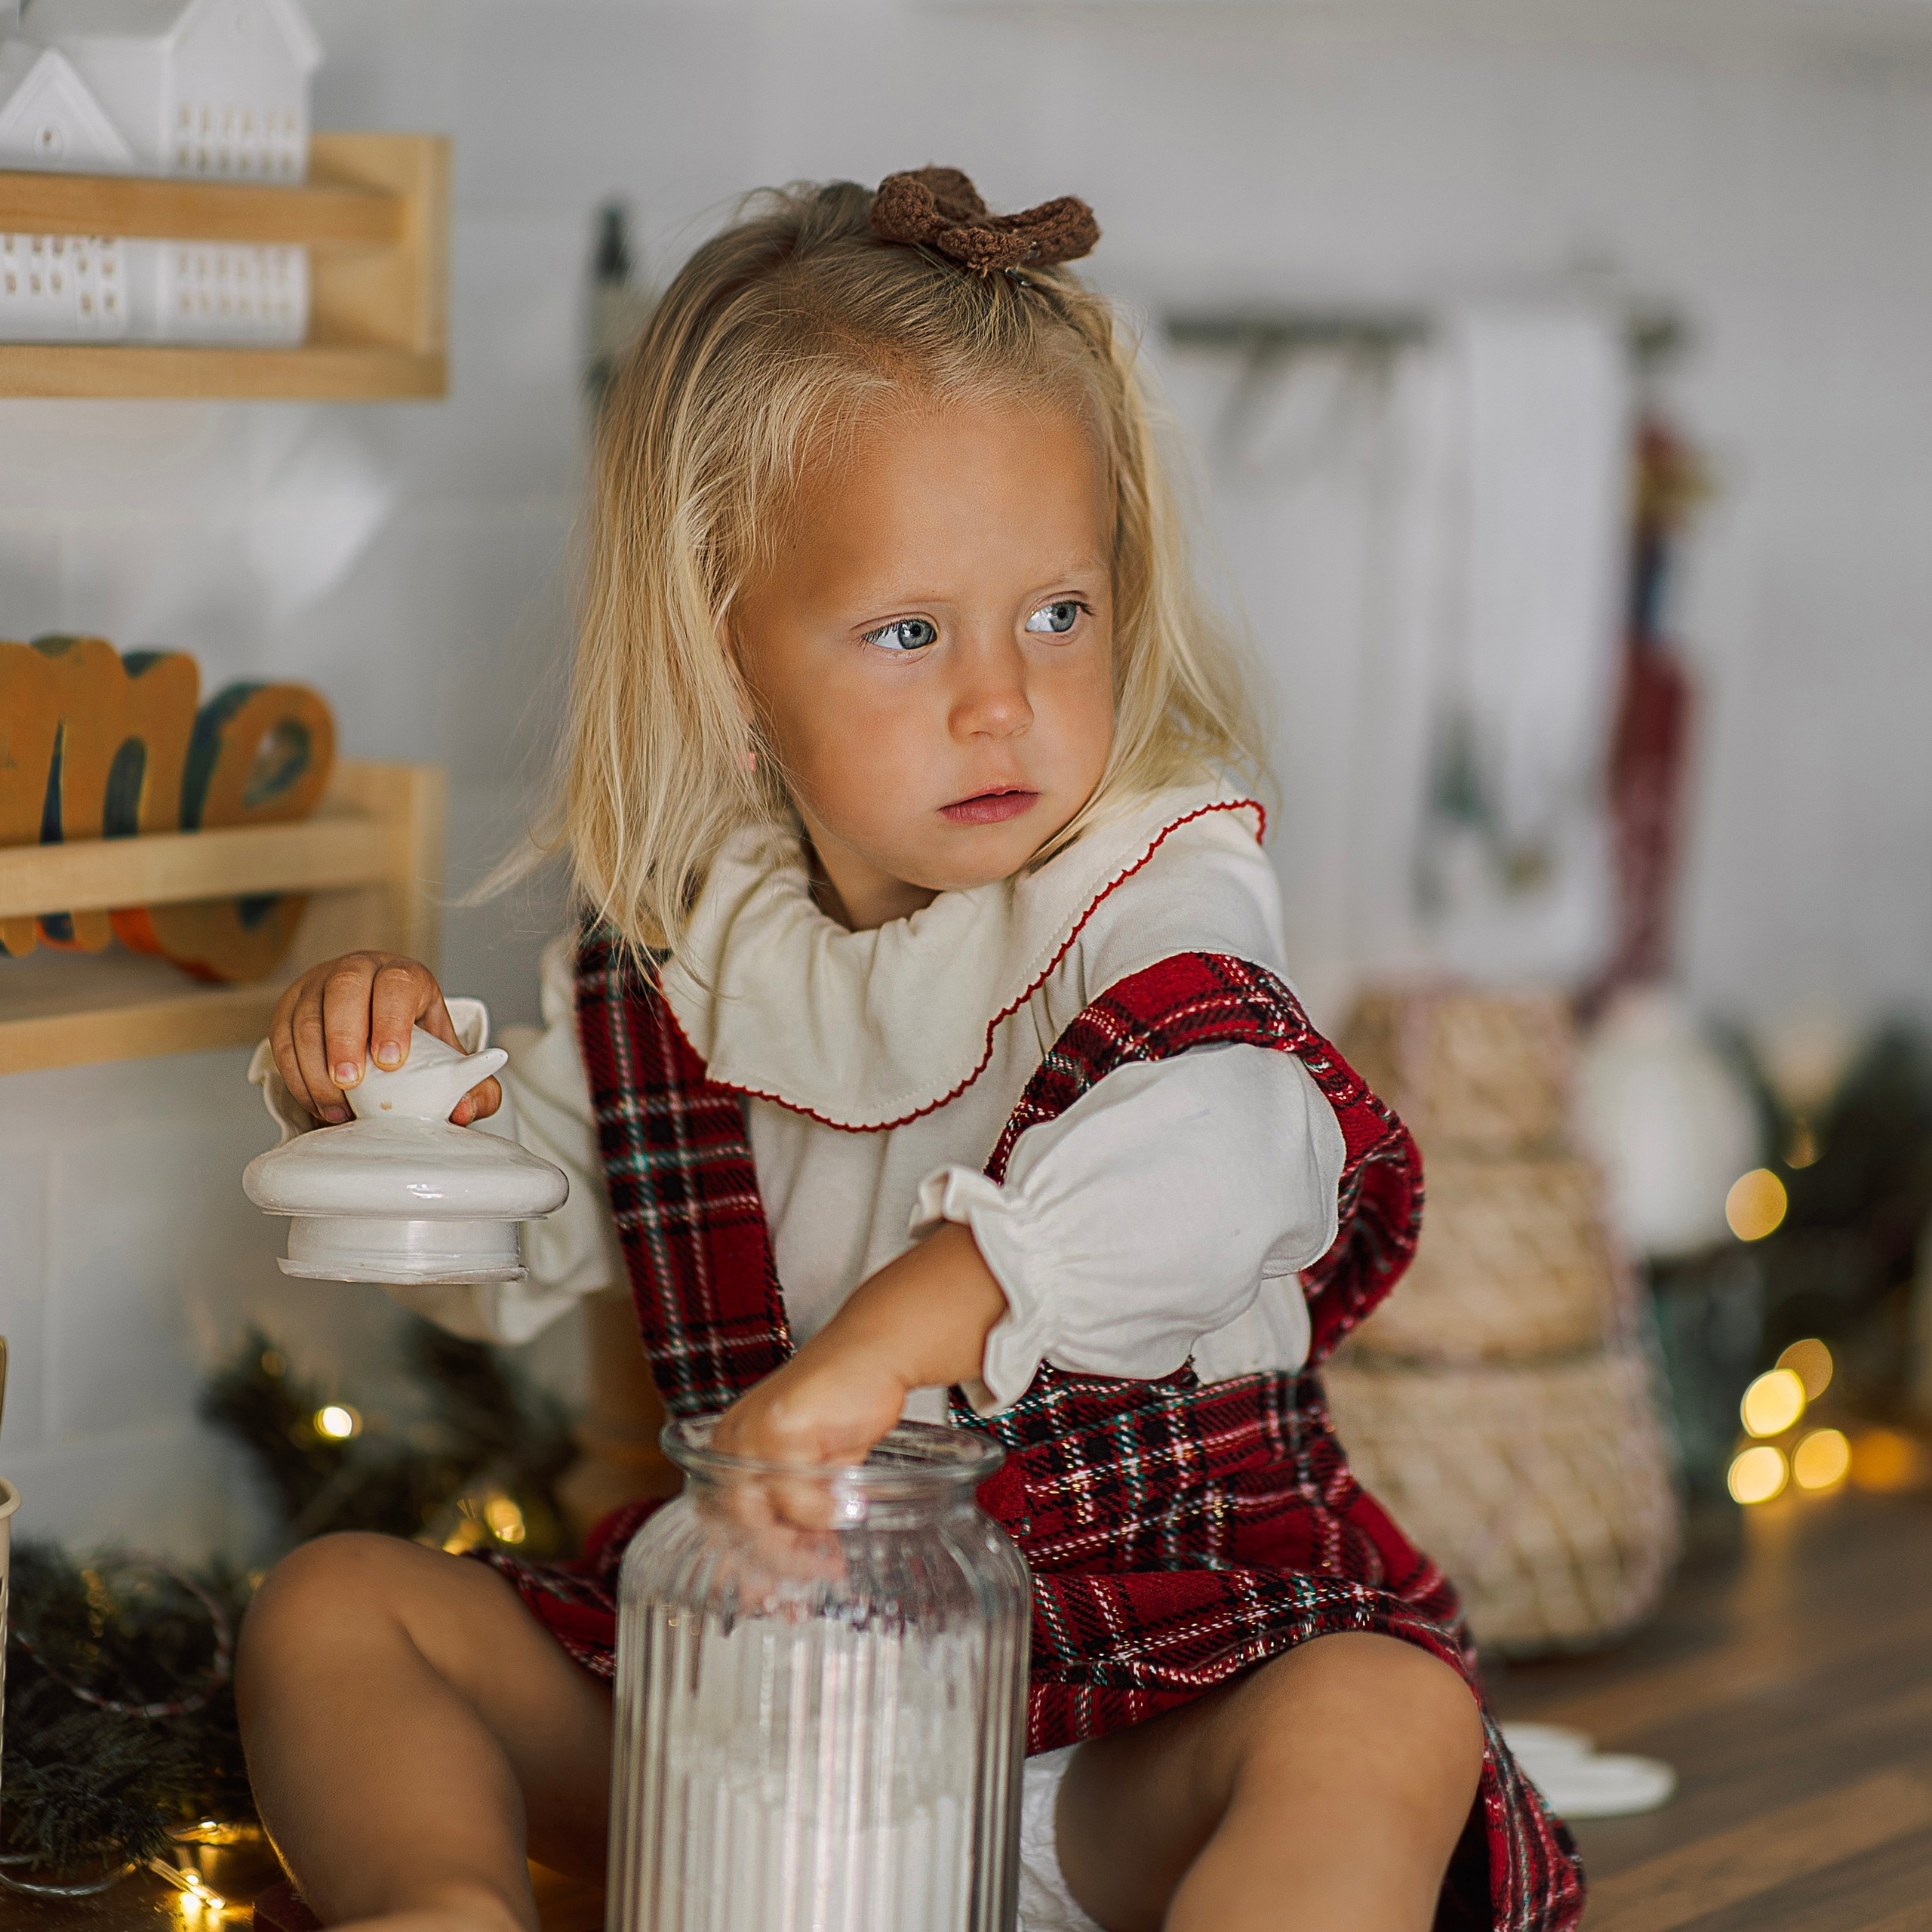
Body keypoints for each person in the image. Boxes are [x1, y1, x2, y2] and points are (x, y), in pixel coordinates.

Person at [238, 168, 1584, 1932]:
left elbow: (1245, 1146)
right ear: (728, 660)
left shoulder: (1152, 887)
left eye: (1055, 611)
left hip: (1144, 1706)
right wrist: (375, 1093)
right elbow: (500, 1251)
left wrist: (885, 1342)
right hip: (779, 1721)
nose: (1000, 700)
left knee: (1382, 1711)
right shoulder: (675, 970)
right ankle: (441, 1908)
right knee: (336, 1610)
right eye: (902, 630)